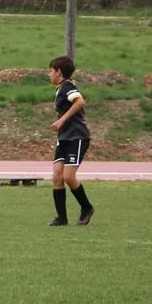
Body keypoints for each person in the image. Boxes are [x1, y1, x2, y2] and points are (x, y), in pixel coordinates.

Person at [47, 55, 94, 226]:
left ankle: (87, 207)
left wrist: (62, 120)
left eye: (51, 71)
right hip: (64, 137)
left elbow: (80, 102)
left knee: (68, 176)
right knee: (57, 176)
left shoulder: (68, 86)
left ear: (59, 72)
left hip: (77, 136)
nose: (49, 74)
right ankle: (61, 218)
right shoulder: (60, 89)